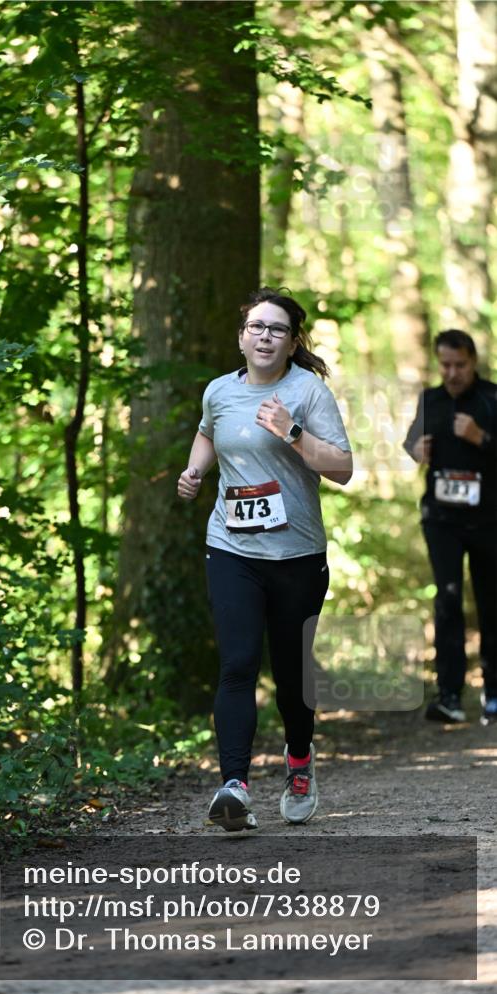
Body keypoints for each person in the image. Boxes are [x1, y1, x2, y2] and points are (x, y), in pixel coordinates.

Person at [177, 287, 352, 829]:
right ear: (242, 335)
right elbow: (208, 434)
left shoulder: (308, 392)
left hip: (297, 554)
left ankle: (299, 759)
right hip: (232, 548)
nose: (265, 336)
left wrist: (292, 432)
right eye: (257, 326)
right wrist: (196, 471)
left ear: (292, 340)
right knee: (237, 664)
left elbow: (343, 468)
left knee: (292, 671)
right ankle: (234, 785)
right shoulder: (219, 392)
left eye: (277, 329)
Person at [403, 330, 496, 726]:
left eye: (459, 365)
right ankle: (450, 696)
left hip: (490, 518)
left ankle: (493, 694)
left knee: (491, 602)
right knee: (447, 599)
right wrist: (415, 450)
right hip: (442, 519)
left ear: (473, 360)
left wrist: (482, 438)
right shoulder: (431, 400)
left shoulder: (493, 398)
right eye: (445, 365)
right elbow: (410, 443)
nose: (453, 373)